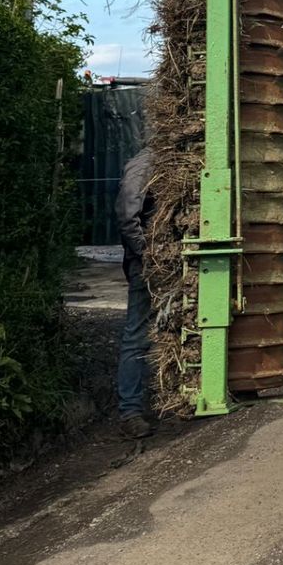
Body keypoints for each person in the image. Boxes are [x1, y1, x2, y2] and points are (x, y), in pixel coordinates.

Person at [114, 145, 155, 439]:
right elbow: (127, 214)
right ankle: (130, 411)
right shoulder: (145, 162)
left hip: (174, 260)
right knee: (138, 335)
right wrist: (148, 254)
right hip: (148, 264)